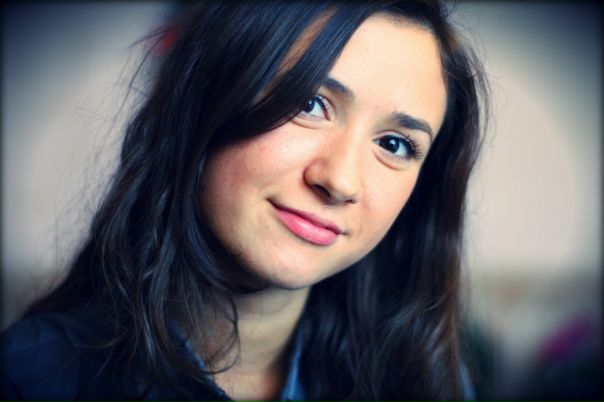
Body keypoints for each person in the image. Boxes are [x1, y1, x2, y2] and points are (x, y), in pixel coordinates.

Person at [1, 1, 488, 400]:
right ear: (207, 100)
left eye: (395, 145)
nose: (340, 181)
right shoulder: (28, 378)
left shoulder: (426, 384)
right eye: (309, 104)